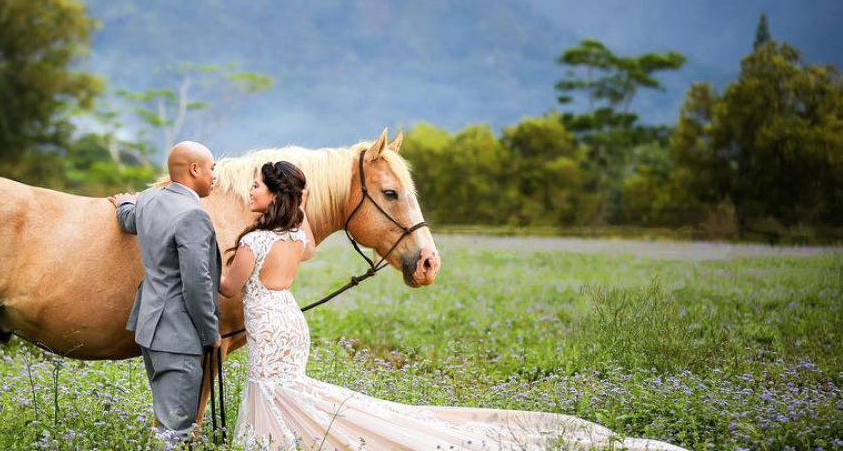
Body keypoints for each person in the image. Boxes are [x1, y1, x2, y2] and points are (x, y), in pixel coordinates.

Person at [219, 160, 689, 451]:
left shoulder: (255, 241)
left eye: (258, 188)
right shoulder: (299, 239)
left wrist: (201, 260)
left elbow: (226, 288)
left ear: (273, 195)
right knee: (290, 389)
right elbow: (302, 232)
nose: (251, 193)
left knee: (271, 390)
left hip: (266, 321)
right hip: (290, 323)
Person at [110, 141, 222, 445]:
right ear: (194, 169)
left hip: (150, 329)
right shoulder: (194, 216)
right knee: (176, 430)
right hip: (179, 333)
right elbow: (197, 283)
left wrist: (123, 203)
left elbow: (129, 220)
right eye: (212, 168)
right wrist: (210, 333)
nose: (215, 176)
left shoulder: (146, 200)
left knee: (166, 419)